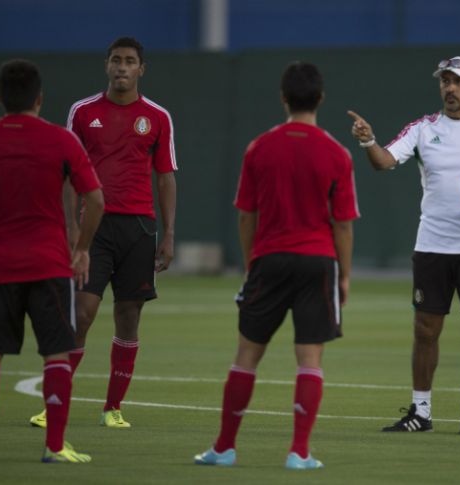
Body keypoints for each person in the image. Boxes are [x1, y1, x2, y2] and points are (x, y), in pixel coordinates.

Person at [0, 59, 104, 463]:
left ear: (0, 97)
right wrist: (82, 248)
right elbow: (96, 199)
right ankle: (54, 446)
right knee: (57, 355)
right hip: (50, 266)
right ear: (39, 98)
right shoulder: (61, 141)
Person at [194, 62, 359, 469]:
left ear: (283, 98)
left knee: (246, 355)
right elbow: (342, 224)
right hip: (318, 261)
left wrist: (251, 263)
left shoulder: (260, 147)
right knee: (310, 359)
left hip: (269, 259)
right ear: (320, 98)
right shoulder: (337, 153)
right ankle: (299, 453)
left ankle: (224, 448)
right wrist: (344, 274)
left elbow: (245, 215)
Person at [348, 56, 460, 434]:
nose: (450, 88)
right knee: (425, 329)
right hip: (432, 244)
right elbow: (384, 162)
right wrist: (369, 141)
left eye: (458, 81)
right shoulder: (423, 129)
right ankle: (421, 412)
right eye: (445, 81)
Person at [29, 36, 177, 430]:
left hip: (140, 228)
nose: (122, 67)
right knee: (81, 313)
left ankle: (113, 408)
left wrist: (168, 234)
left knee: (128, 317)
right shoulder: (82, 111)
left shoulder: (158, 117)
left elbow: (165, 177)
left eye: (129, 61)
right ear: (107, 65)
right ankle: (54, 404)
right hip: (94, 229)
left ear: (141, 69)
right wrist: (72, 226)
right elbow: (66, 175)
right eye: (116, 60)